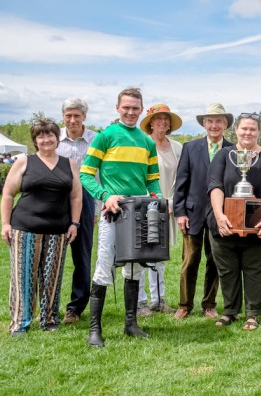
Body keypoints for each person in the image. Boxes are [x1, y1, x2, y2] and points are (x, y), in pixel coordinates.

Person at [80, 87, 162, 347]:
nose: (130, 112)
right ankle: (95, 329)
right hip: (113, 212)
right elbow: (85, 174)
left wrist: (157, 198)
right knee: (104, 266)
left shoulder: (147, 142)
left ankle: (131, 324)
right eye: (126, 107)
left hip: (138, 212)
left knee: (135, 268)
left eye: (135, 108)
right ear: (117, 108)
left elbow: (153, 180)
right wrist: (106, 196)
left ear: (141, 109)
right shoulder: (105, 137)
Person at [0, 118, 82, 336]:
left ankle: (49, 318)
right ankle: (21, 322)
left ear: (57, 138)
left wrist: (74, 223)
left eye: (50, 135)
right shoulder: (24, 162)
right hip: (24, 227)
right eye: (40, 136)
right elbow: (8, 194)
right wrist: (5, 224)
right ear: (35, 141)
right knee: (24, 274)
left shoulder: (69, 164)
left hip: (59, 229)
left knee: (51, 276)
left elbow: (76, 197)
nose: (46, 140)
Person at [208, 112, 261, 330]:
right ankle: (230, 311)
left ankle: (252, 314)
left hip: (257, 226)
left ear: (259, 132)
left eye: (252, 129)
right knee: (227, 270)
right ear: (236, 130)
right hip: (225, 224)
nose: (248, 132)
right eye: (244, 128)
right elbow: (215, 186)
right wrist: (220, 215)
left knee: (255, 269)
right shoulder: (224, 155)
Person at [173, 103, 233, 320]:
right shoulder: (190, 148)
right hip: (192, 213)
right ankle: (184, 305)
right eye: (210, 121)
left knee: (215, 261)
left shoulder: (233, 150)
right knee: (189, 261)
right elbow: (181, 182)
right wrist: (180, 212)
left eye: (218, 121)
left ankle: (209, 304)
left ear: (225, 124)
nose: (214, 125)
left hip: (220, 215)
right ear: (204, 124)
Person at [137, 104, 184, 316]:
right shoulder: (142, 144)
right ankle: (141, 301)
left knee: (159, 255)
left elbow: (182, 179)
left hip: (169, 206)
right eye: (158, 118)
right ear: (150, 122)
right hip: (144, 205)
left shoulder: (177, 147)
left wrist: (175, 201)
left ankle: (159, 299)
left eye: (166, 118)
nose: (162, 122)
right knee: (140, 254)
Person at [56, 98, 99, 325]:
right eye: (68, 115)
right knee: (52, 256)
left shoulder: (95, 140)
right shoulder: (54, 139)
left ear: (84, 117)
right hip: (56, 203)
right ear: (63, 116)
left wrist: (96, 211)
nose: (72, 120)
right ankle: (50, 305)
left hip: (86, 201)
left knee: (82, 257)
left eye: (77, 116)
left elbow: (99, 175)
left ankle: (75, 307)